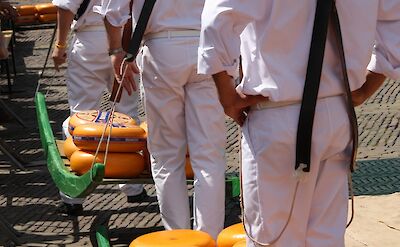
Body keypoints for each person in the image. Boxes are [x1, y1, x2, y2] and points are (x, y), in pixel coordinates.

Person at [198, 0, 400, 246]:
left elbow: (217, 16)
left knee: (274, 237)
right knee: (326, 237)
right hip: (336, 112)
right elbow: (395, 20)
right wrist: (368, 86)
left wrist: (225, 91)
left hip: (279, 111)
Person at [97, 0, 227, 239]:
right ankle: (210, 238)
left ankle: (179, 239)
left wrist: (116, 51)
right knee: (209, 156)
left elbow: (113, 11)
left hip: (162, 48)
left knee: (167, 157)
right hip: (208, 46)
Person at [51, 0, 147, 216]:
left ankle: (74, 196)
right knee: (127, 116)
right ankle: (132, 188)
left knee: (81, 116)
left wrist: (60, 45)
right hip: (125, 41)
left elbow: (66, 7)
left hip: (89, 41)